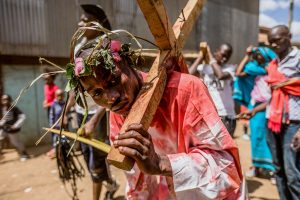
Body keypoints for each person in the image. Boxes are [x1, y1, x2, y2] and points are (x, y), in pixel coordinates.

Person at [68, 31, 245, 198]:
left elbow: (228, 170)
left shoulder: (186, 91)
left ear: (129, 64)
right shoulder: (118, 114)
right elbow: (137, 180)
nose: (111, 98)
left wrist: (161, 163)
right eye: (97, 93)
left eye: (114, 80)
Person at [64, 4, 117, 200]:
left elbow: (111, 90)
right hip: (80, 112)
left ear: (97, 24)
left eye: (85, 20)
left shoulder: (103, 46)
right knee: (86, 155)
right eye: (81, 19)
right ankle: (111, 184)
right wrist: (67, 110)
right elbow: (74, 85)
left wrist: (94, 120)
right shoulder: (78, 47)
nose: (79, 23)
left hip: (98, 113)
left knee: (97, 158)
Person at [266, 25, 300, 200]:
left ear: (289, 37)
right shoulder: (273, 63)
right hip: (272, 120)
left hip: (294, 123)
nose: (273, 45)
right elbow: (270, 95)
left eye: (277, 40)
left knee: (293, 173)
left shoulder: (298, 58)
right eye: (270, 42)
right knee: (278, 169)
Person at [235, 46, 276, 181]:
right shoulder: (253, 69)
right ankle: (256, 167)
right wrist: (247, 55)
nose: (257, 56)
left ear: (265, 56)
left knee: (270, 138)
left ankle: (272, 170)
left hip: (272, 106)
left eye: (260, 54)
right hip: (256, 106)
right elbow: (238, 73)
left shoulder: (273, 69)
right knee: (255, 137)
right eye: (256, 54)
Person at [189, 43, 237, 137]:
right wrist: (201, 56)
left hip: (225, 116)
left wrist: (210, 56)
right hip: (209, 115)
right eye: (222, 55)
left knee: (224, 149)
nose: (224, 59)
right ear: (216, 52)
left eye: (227, 57)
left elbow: (220, 76)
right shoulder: (204, 68)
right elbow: (189, 74)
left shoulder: (230, 68)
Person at [0, 94, 29, 161]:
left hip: (12, 130)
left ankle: (24, 153)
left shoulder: (14, 108)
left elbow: (23, 116)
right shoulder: (3, 109)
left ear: (10, 100)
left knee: (15, 142)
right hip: (4, 128)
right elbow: (4, 119)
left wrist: (16, 125)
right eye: (3, 100)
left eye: (7, 99)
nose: (5, 101)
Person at [48, 89, 65, 158]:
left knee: (65, 140)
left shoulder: (65, 104)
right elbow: (51, 115)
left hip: (64, 127)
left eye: (61, 95)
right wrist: (52, 125)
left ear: (63, 96)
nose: (60, 97)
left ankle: (65, 154)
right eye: (58, 95)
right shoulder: (54, 105)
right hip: (56, 127)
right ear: (55, 96)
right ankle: (57, 154)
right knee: (56, 141)